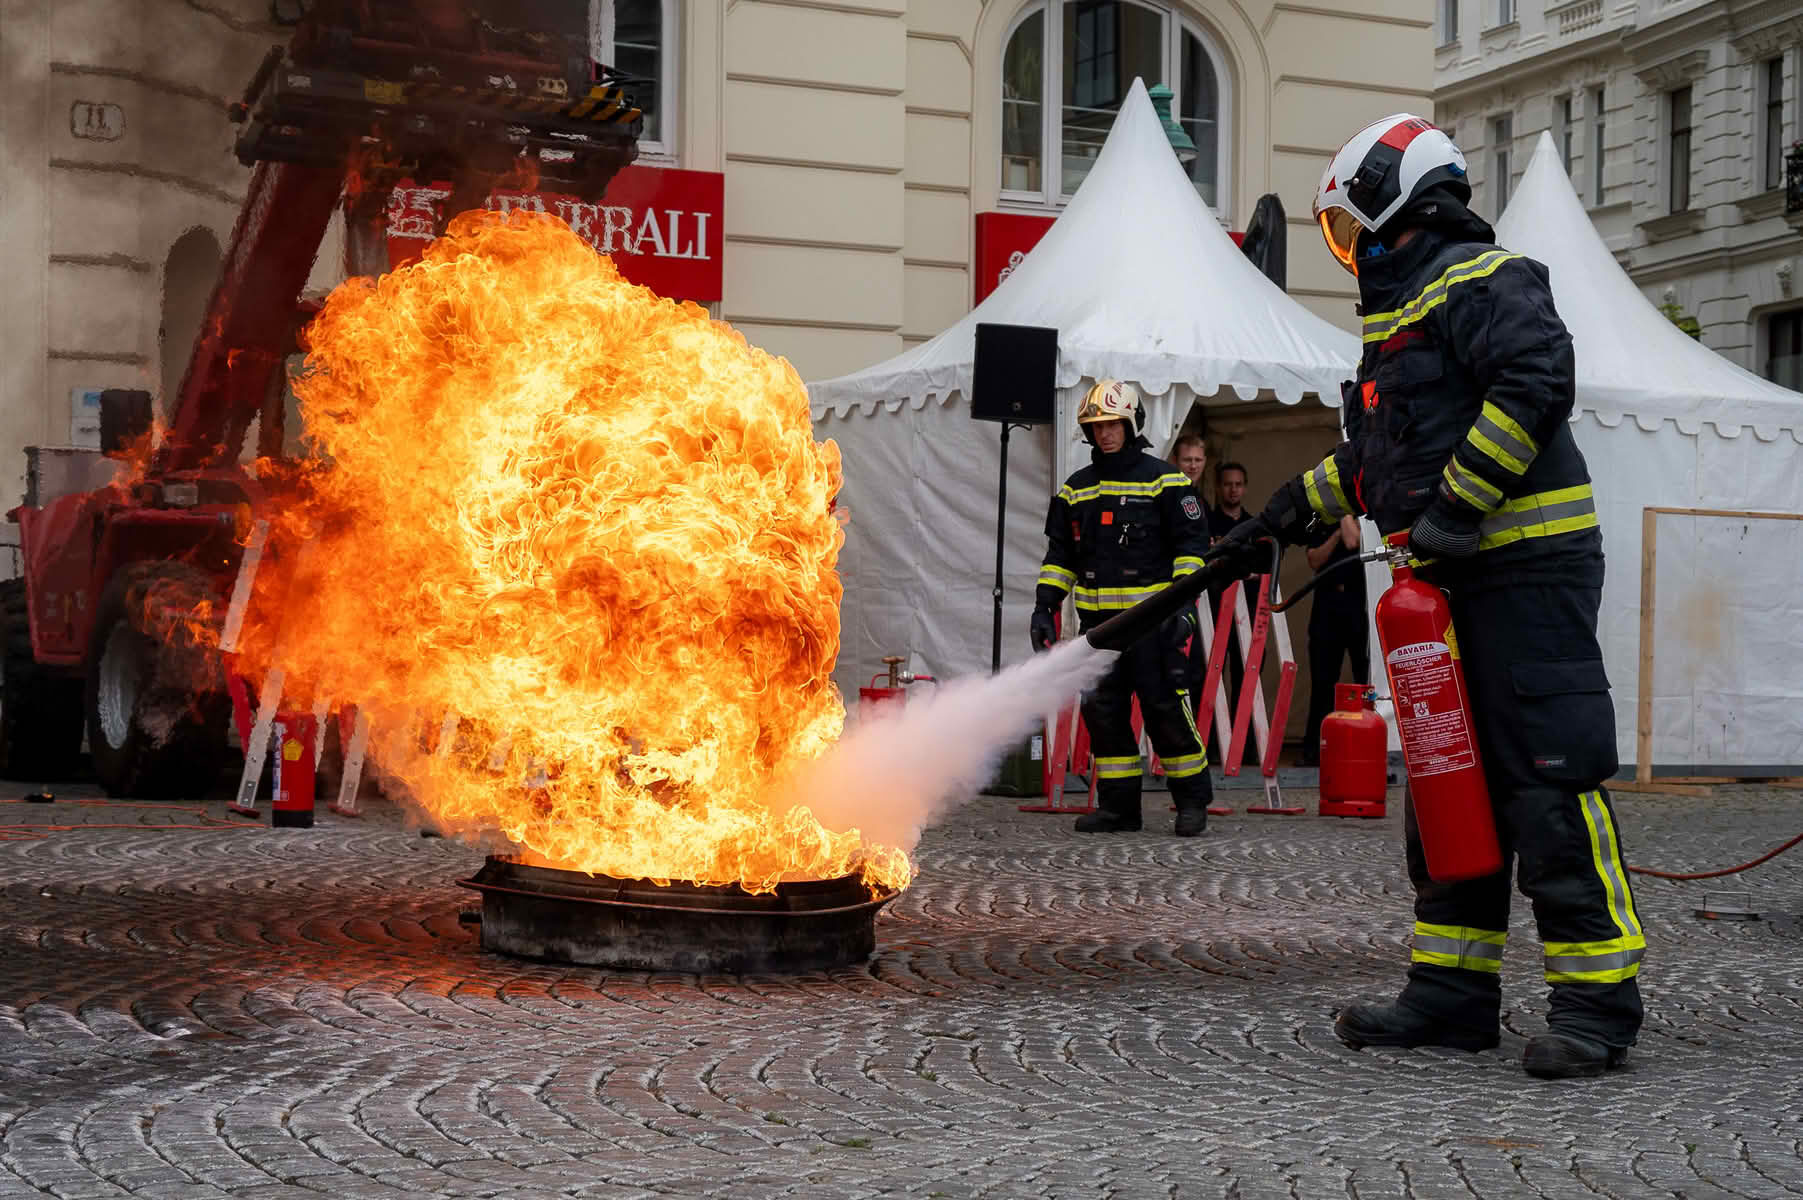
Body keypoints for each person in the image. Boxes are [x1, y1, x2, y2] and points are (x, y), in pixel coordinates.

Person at [1215, 113, 1642, 1081]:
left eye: (1350, 219)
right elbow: (1380, 459)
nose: (1348, 242)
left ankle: (1598, 1005)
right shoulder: (1396, 318)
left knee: (1547, 780)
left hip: (1526, 571)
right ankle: (1453, 994)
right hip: (1446, 577)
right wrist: (1280, 514)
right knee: (1450, 787)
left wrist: (1458, 506)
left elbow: (1537, 384)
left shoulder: (1489, 279)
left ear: (1394, 194)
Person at [1031, 381, 1215, 837]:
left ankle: (1192, 803)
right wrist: (1044, 605)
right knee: (1105, 718)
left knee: (1166, 713)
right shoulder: (1076, 490)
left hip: (1154, 626)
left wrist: (1182, 610)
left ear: (1131, 423)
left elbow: (1192, 553)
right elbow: (1060, 557)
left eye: (1112, 424)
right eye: (1095, 427)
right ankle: (1119, 809)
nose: (1104, 434)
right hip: (1099, 633)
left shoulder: (1166, 482)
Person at [1298, 515, 1370, 767]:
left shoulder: (1364, 516)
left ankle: (1368, 748)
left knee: (1366, 679)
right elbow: (1314, 559)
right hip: (1327, 607)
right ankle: (1313, 751)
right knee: (1322, 681)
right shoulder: (1320, 519)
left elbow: (1355, 542)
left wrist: (1347, 520)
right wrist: (1337, 531)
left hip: (1359, 605)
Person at [1205, 461, 1253, 757]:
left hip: (1246, 613)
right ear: (1218, 487)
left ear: (1244, 487)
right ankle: (1211, 744)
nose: (1233, 489)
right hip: (1212, 610)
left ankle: (1245, 746)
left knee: (1246, 675)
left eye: (1238, 484)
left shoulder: (1253, 524)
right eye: (1227, 484)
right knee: (1212, 675)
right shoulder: (1206, 523)